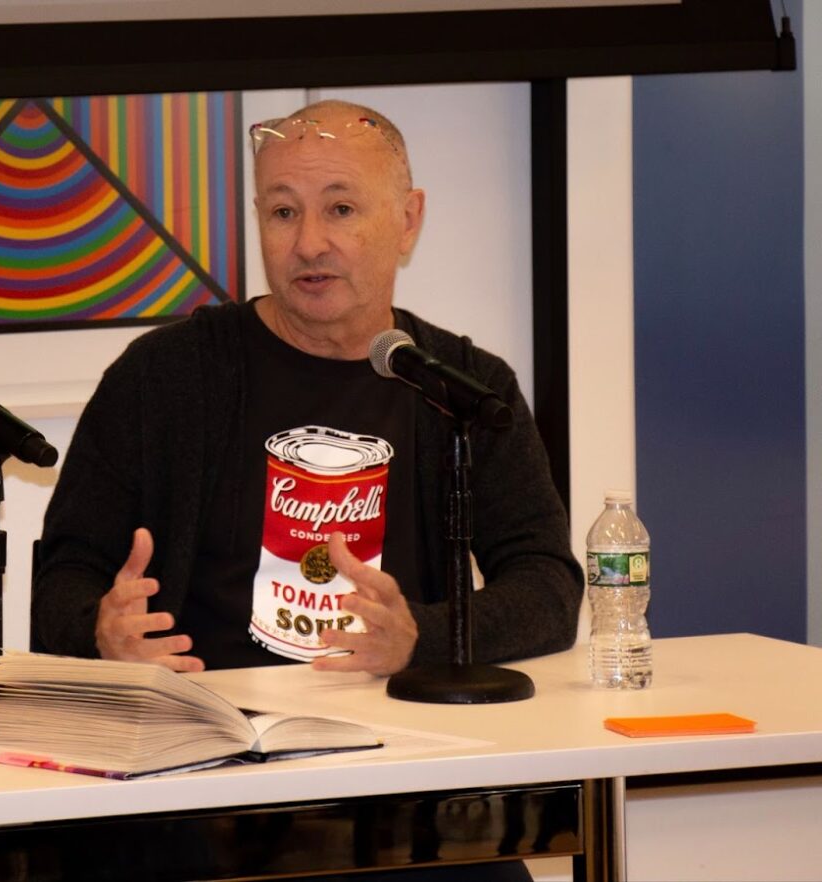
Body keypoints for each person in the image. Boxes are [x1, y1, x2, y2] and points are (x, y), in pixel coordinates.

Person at [32, 102, 581, 881]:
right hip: (202, 786)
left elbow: (550, 586)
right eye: (283, 212)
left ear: (408, 218)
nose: (309, 243)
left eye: (341, 209)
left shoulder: (462, 388)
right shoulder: (164, 377)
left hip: (404, 779)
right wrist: (101, 630)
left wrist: (423, 635)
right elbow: (64, 578)